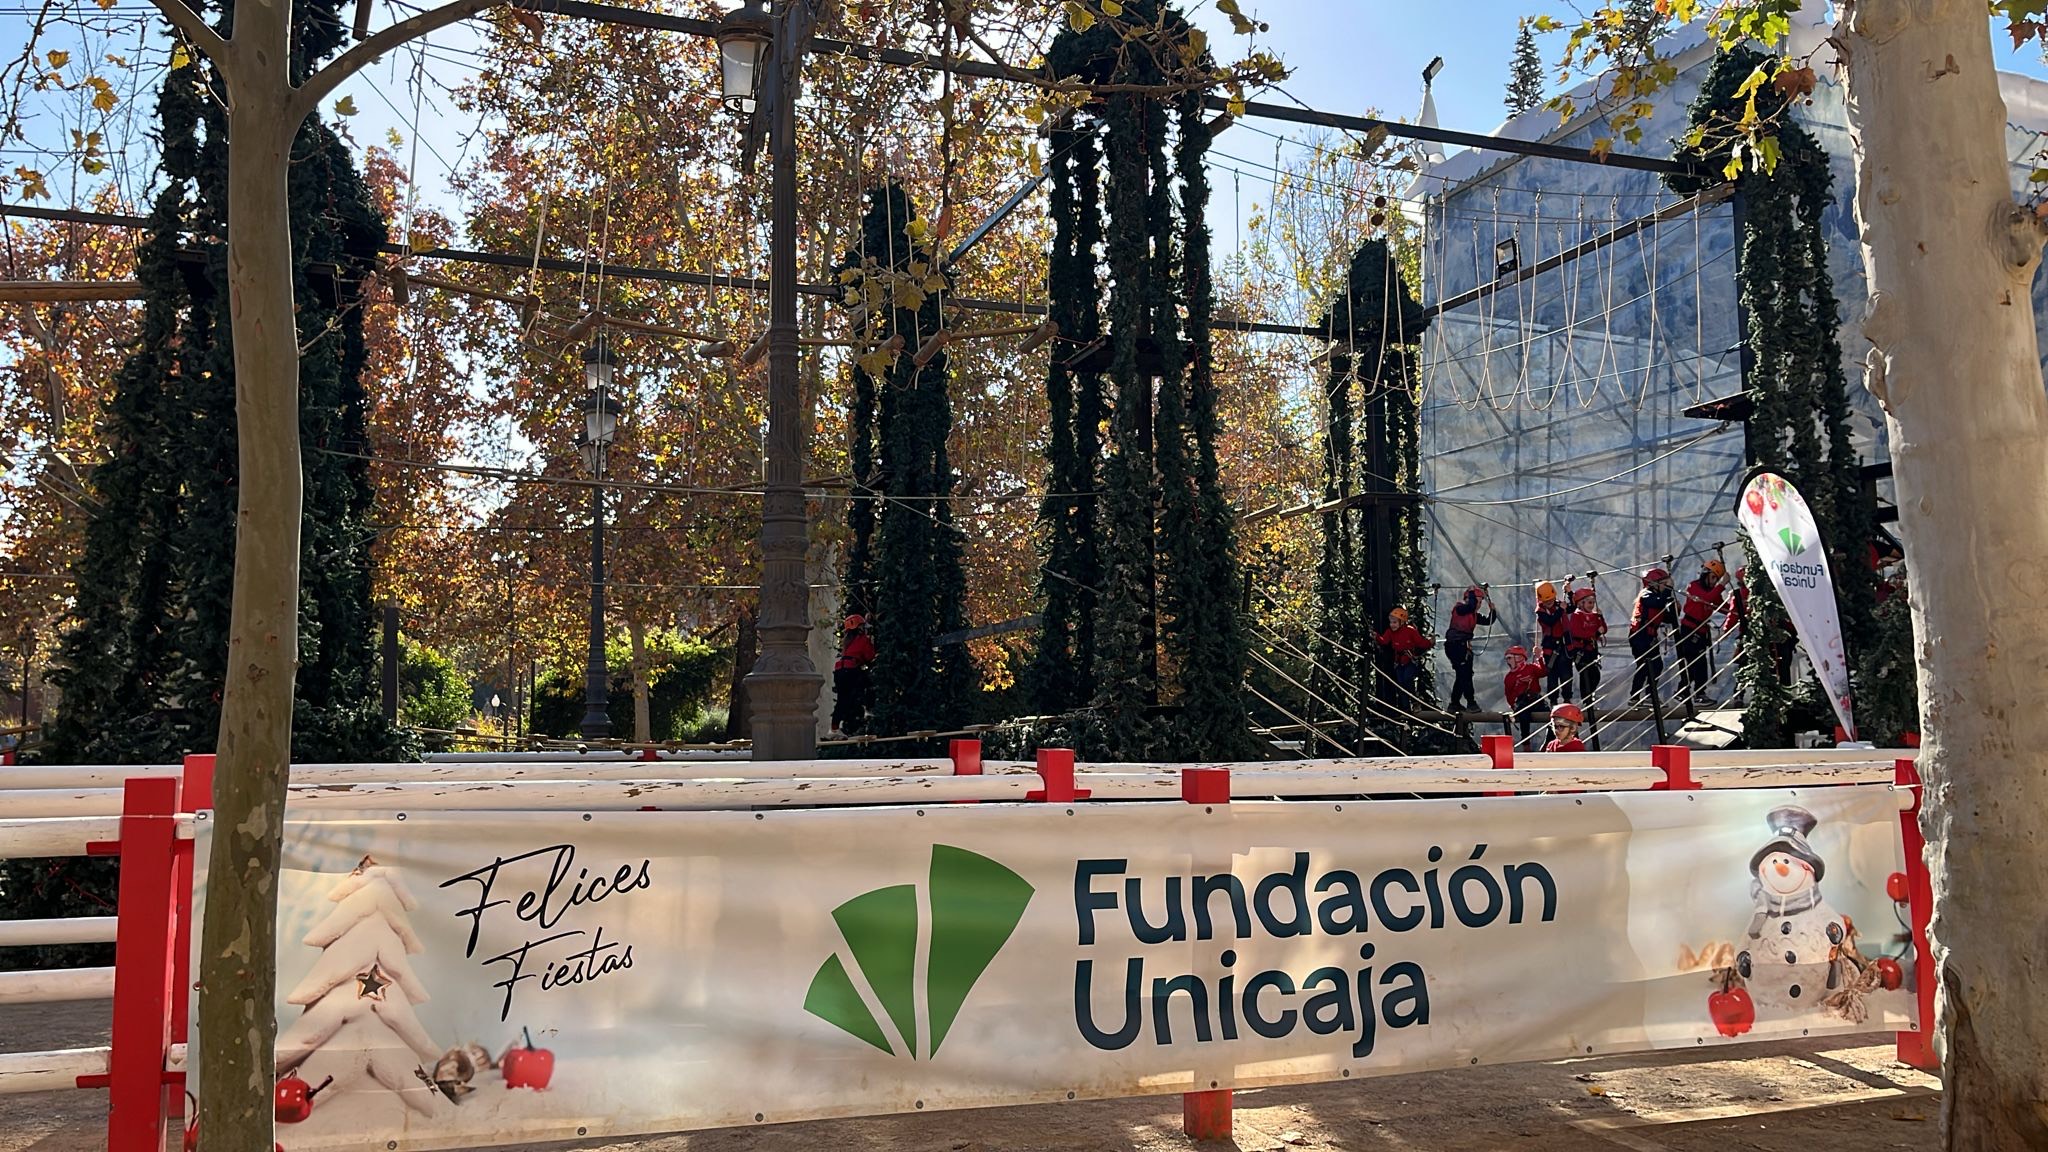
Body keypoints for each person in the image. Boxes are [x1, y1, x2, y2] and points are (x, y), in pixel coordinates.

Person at [1673, 559, 1727, 704]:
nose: (1715, 582)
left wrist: (1738, 607)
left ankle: (1685, 691)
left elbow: (1722, 607)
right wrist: (1722, 585)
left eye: (1717, 579)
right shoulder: (1694, 586)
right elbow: (1705, 599)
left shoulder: (1712, 592)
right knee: (1696, 663)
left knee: (1697, 663)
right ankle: (1696, 692)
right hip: (1690, 629)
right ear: (1705, 575)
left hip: (1701, 630)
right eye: (1713, 578)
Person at [1443, 585, 1495, 713]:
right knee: (1465, 674)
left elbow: (1488, 621)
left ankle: (1455, 703)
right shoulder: (1460, 609)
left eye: (1480, 602)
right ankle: (1470, 702)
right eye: (1476, 601)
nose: (1478, 604)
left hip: (1463, 646)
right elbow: (1470, 606)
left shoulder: (1473, 614)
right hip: (1456, 646)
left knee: (1463, 675)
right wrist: (1472, 592)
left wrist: (1493, 611)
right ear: (1468, 599)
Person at [1628, 567, 1676, 704]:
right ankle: (1635, 697)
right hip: (1640, 635)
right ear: (1654, 584)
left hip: (1649, 636)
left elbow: (1667, 617)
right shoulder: (1646, 595)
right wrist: (1668, 590)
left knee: (1656, 665)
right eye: (1663, 583)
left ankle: (1649, 695)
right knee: (1644, 666)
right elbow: (1657, 603)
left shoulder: (1657, 597)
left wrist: (1674, 609)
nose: (1665, 586)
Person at [830, 614, 876, 737]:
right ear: (859, 628)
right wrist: (871, 643)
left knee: (842, 700)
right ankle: (868, 709)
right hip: (850, 670)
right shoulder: (863, 639)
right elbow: (869, 656)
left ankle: (834, 728)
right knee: (869, 685)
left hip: (840, 671)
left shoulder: (847, 641)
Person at [1377, 606, 1432, 700]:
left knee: (1407, 679)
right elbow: (1384, 641)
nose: (1392, 625)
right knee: (1401, 684)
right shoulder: (1390, 632)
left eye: (1394, 622)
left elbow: (1421, 643)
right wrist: (1376, 636)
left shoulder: (1410, 631)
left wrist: (1430, 642)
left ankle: (1414, 700)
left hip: (1410, 660)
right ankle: (1406, 706)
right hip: (1399, 661)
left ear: (1402, 622)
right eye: (1391, 622)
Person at [1565, 585, 1608, 703]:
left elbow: (1603, 629)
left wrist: (1601, 617)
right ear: (1581, 603)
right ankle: (1586, 699)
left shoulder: (1595, 616)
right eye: (1589, 602)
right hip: (1581, 651)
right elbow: (1578, 632)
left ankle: (1589, 696)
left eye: (1593, 602)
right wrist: (1595, 633)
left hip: (1591, 650)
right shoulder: (1576, 616)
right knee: (1585, 674)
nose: (1592, 605)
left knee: (1595, 675)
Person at [1534, 580, 1572, 702]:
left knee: (1566, 675)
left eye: (1551, 600)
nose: (1549, 602)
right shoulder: (1540, 612)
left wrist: (1569, 593)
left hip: (1563, 645)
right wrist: (1560, 610)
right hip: (1550, 647)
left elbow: (1572, 608)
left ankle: (1567, 699)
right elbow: (1550, 621)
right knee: (1552, 676)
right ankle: (1553, 700)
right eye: (1546, 601)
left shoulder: (1559, 605)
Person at [1502, 645, 1545, 743]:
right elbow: (1509, 695)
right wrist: (1514, 706)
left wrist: (1539, 657)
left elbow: (1544, 672)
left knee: (1551, 716)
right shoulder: (1509, 677)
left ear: (1518, 658)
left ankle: (1550, 738)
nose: (1508, 661)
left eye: (1509, 658)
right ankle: (1526, 743)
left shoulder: (1531, 668)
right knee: (1524, 718)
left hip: (1536, 700)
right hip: (1522, 703)